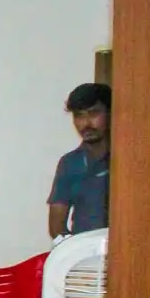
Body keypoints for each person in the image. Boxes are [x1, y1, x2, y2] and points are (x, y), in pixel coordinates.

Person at [48, 82, 111, 239]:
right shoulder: (69, 163)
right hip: (84, 255)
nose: (86, 123)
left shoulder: (129, 159)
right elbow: (56, 228)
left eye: (93, 113)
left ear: (110, 113)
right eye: (79, 115)